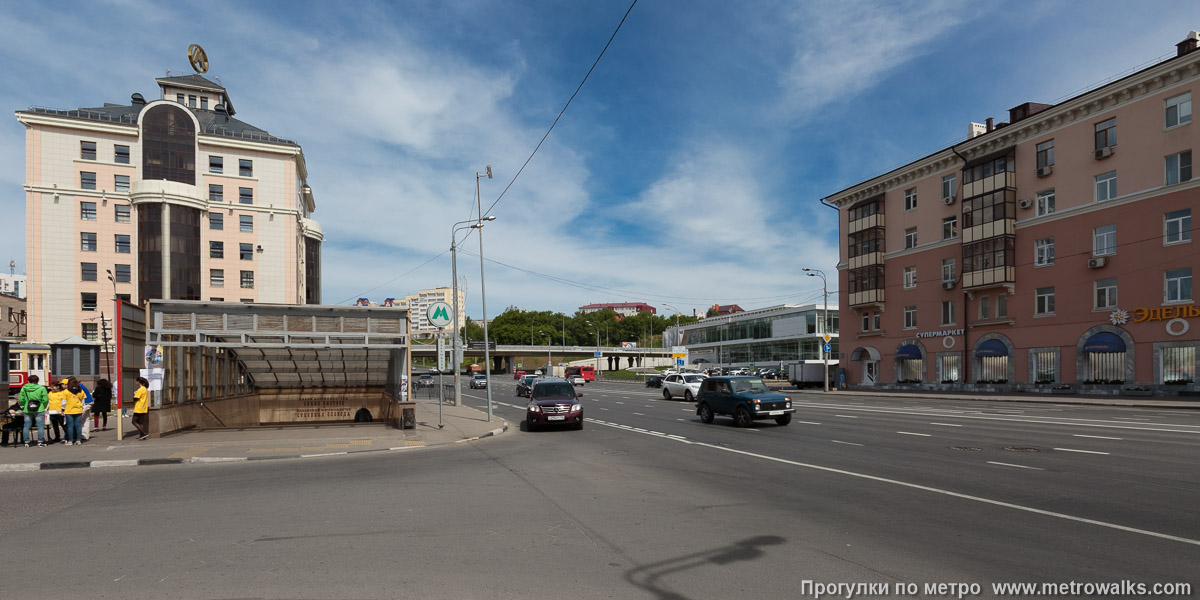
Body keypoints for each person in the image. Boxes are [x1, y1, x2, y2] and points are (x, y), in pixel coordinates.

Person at [18, 374, 49, 447]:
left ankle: (26, 442)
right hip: (39, 408)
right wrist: (43, 406)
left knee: (26, 426)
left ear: (28, 381)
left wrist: (23, 406)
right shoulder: (42, 388)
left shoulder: (24, 388)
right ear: (38, 381)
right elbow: (45, 399)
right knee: (40, 426)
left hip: (27, 409)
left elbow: (21, 399)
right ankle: (40, 441)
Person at [62, 379, 85, 446]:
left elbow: (64, 402)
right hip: (78, 410)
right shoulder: (81, 391)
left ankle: (70, 441)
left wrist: (63, 409)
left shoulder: (66, 391)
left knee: (70, 426)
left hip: (69, 410)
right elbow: (83, 401)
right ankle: (78, 440)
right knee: (78, 425)